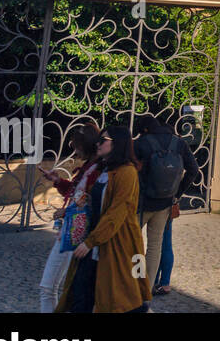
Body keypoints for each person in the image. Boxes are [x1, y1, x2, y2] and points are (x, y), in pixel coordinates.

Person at [57, 125, 151, 313]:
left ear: (118, 144)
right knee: (81, 293)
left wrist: (91, 241)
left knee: (121, 298)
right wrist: (70, 212)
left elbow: (116, 212)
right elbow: (93, 204)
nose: (98, 144)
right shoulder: (104, 169)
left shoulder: (127, 173)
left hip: (116, 244)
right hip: (95, 242)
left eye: (103, 140)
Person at [36, 124, 102, 312]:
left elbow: (88, 201)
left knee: (48, 287)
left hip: (75, 235)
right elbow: (76, 193)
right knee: (52, 287)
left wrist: (67, 210)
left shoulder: (96, 171)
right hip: (71, 232)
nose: (75, 151)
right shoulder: (89, 168)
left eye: (77, 147)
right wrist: (57, 181)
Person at [133, 114, 198, 301]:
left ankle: (135, 282)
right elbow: (193, 170)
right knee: (155, 246)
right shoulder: (178, 143)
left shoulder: (141, 143)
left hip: (141, 203)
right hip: (165, 204)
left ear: (144, 129)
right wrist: (177, 194)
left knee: (134, 245)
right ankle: (148, 288)